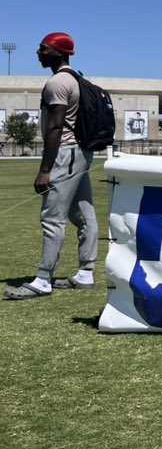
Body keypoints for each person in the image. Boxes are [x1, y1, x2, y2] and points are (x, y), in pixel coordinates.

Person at [4, 32, 99, 300]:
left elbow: (55, 126)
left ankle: (43, 279)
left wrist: (45, 169)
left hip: (65, 152)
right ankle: (86, 273)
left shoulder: (57, 82)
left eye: (44, 48)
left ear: (60, 52)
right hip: (80, 152)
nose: (38, 52)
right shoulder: (76, 78)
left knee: (52, 217)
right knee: (83, 214)